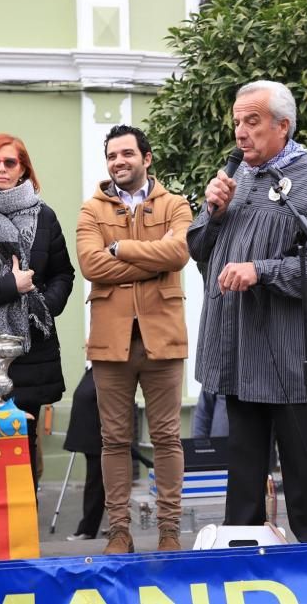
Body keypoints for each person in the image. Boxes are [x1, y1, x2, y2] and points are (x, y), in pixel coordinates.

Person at [187, 80, 307, 543]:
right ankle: (244, 573)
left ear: (283, 125)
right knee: (241, 485)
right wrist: (213, 211)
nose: (241, 132)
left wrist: (260, 270)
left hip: (295, 360)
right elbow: (198, 248)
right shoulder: (233, 180)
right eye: (237, 121)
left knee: (305, 484)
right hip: (241, 356)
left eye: (252, 121)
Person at [77, 124, 193, 554]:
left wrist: (121, 249)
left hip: (163, 337)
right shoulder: (92, 210)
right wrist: (152, 259)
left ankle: (168, 531)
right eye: (112, 156)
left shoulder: (176, 204)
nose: (118, 162)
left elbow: (179, 252)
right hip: (111, 339)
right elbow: (91, 266)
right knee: (114, 439)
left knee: (166, 438)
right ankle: (119, 531)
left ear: (147, 158)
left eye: (127, 154)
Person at [0, 133, 75, 488]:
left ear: (23, 169)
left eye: (10, 162)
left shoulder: (45, 217)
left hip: (32, 354)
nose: (2, 169)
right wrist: (12, 286)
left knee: (24, 446)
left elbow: (63, 274)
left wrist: (44, 306)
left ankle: (24, 538)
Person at [63, 366, 105, 540]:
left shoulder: (104, 371)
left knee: (95, 487)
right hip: (89, 438)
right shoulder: (90, 370)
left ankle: (88, 529)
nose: (86, 346)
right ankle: (90, 528)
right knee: (95, 486)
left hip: (100, 439)